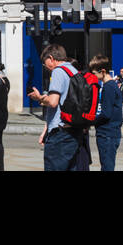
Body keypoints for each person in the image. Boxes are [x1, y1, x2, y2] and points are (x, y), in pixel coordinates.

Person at [28, 43, 81, 171]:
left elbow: (53, 102)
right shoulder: (74, 71)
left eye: (45, 63)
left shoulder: (58, 71)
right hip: (74, 131)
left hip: (59, 133)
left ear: (51, 58)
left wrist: (39, 98)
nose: (45, 67)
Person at [89, 55, 123, 172]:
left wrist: (91, 121)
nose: (93, 76)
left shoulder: (108, 87)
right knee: (108, 165)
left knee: (107, 166)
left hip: (107, 134)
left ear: (103, 71)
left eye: (94, 73)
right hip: (111, 132)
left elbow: (106, 113)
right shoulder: (112, 85)